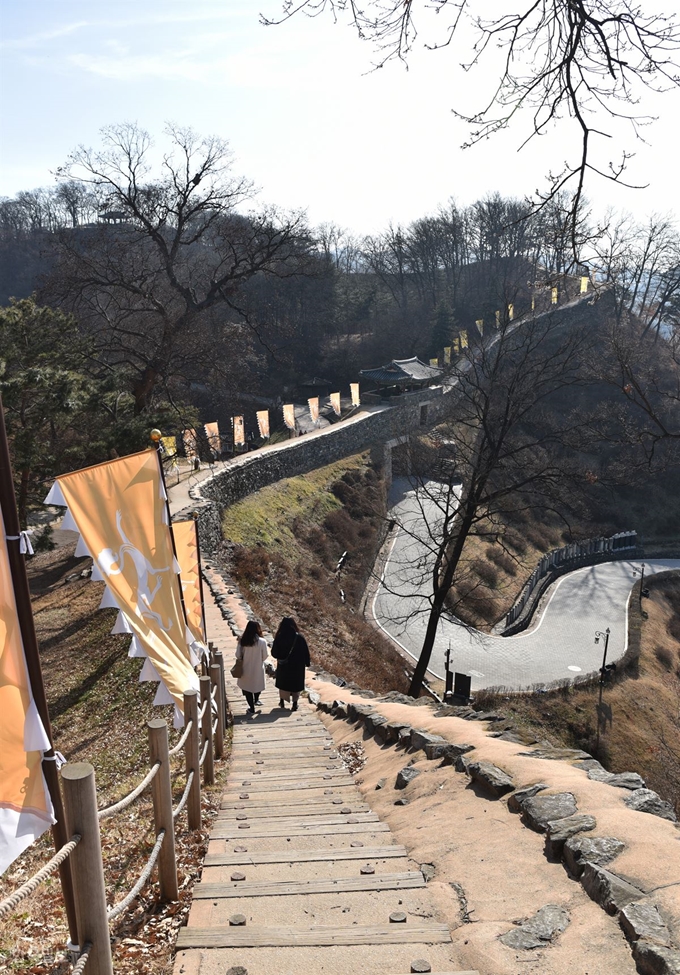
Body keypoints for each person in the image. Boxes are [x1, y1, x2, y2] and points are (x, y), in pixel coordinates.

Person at [271, 616, 310, 711]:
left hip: (284, 665)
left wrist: (280, 656)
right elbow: (306, 652)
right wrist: (307, 662)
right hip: (297, 666)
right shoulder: (299, 637)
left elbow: (274, 653)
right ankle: (295, 704)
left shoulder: (279, 637)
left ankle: (282, 701)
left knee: (283, 684)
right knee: (295, 685)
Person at [235, 620, 268, 714]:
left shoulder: (242, 641)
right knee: (258, 685)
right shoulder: (262, 642)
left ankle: (251, 707)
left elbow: (238, 655)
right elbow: (265, 656)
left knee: (247, 688)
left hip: (245, 668)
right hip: (258, 667)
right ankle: (256, 699)